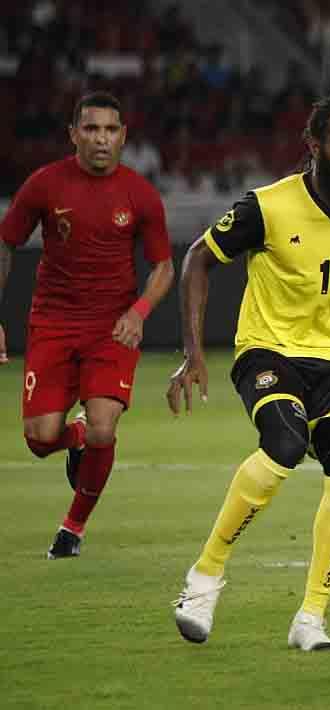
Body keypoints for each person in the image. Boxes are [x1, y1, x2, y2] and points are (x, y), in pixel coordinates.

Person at [166, 95, 330, 651]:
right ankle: (205, 576)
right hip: (267, 350)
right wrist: (194, 351)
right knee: (285, 442)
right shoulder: (267, 207)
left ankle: (310, 618)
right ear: (313, 147)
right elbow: (198, 257)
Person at [0, 91, 175, 559]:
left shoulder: (139, 194)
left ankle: (72, 529)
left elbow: (164, 268)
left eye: (111, 130)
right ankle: (73, 436)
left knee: (104, 428)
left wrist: (138, 313)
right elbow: (5, 244)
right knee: (40, 440)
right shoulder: (43, 185)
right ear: (73, 134)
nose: (102, 138)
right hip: (52, 323)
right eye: (92, 129)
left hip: (111, 329)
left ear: (123, 136)